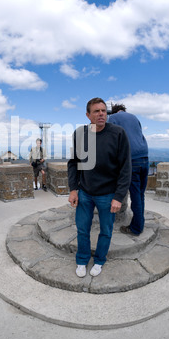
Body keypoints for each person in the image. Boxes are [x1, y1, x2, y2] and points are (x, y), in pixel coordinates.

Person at [68, 98, 131, 278]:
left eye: (103, 111)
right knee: (82, 229)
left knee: (106, 230)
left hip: (108, 194)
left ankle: (100, 260)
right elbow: (73, 163)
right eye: (96, 111)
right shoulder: (80, 133)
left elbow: (125, 167)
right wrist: (73, 189)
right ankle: (82, 260)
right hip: (85, 192)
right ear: (88, 115)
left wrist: (119, 197)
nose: (101, 114)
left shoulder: (118, 133)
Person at [109, 104, 149, 236]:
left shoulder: (113, 117)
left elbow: (111, 139)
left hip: (132, 160)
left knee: (135, 196)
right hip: (144, 158)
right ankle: (140, 222)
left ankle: (136, 228)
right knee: (141, 195)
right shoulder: (134, 117)